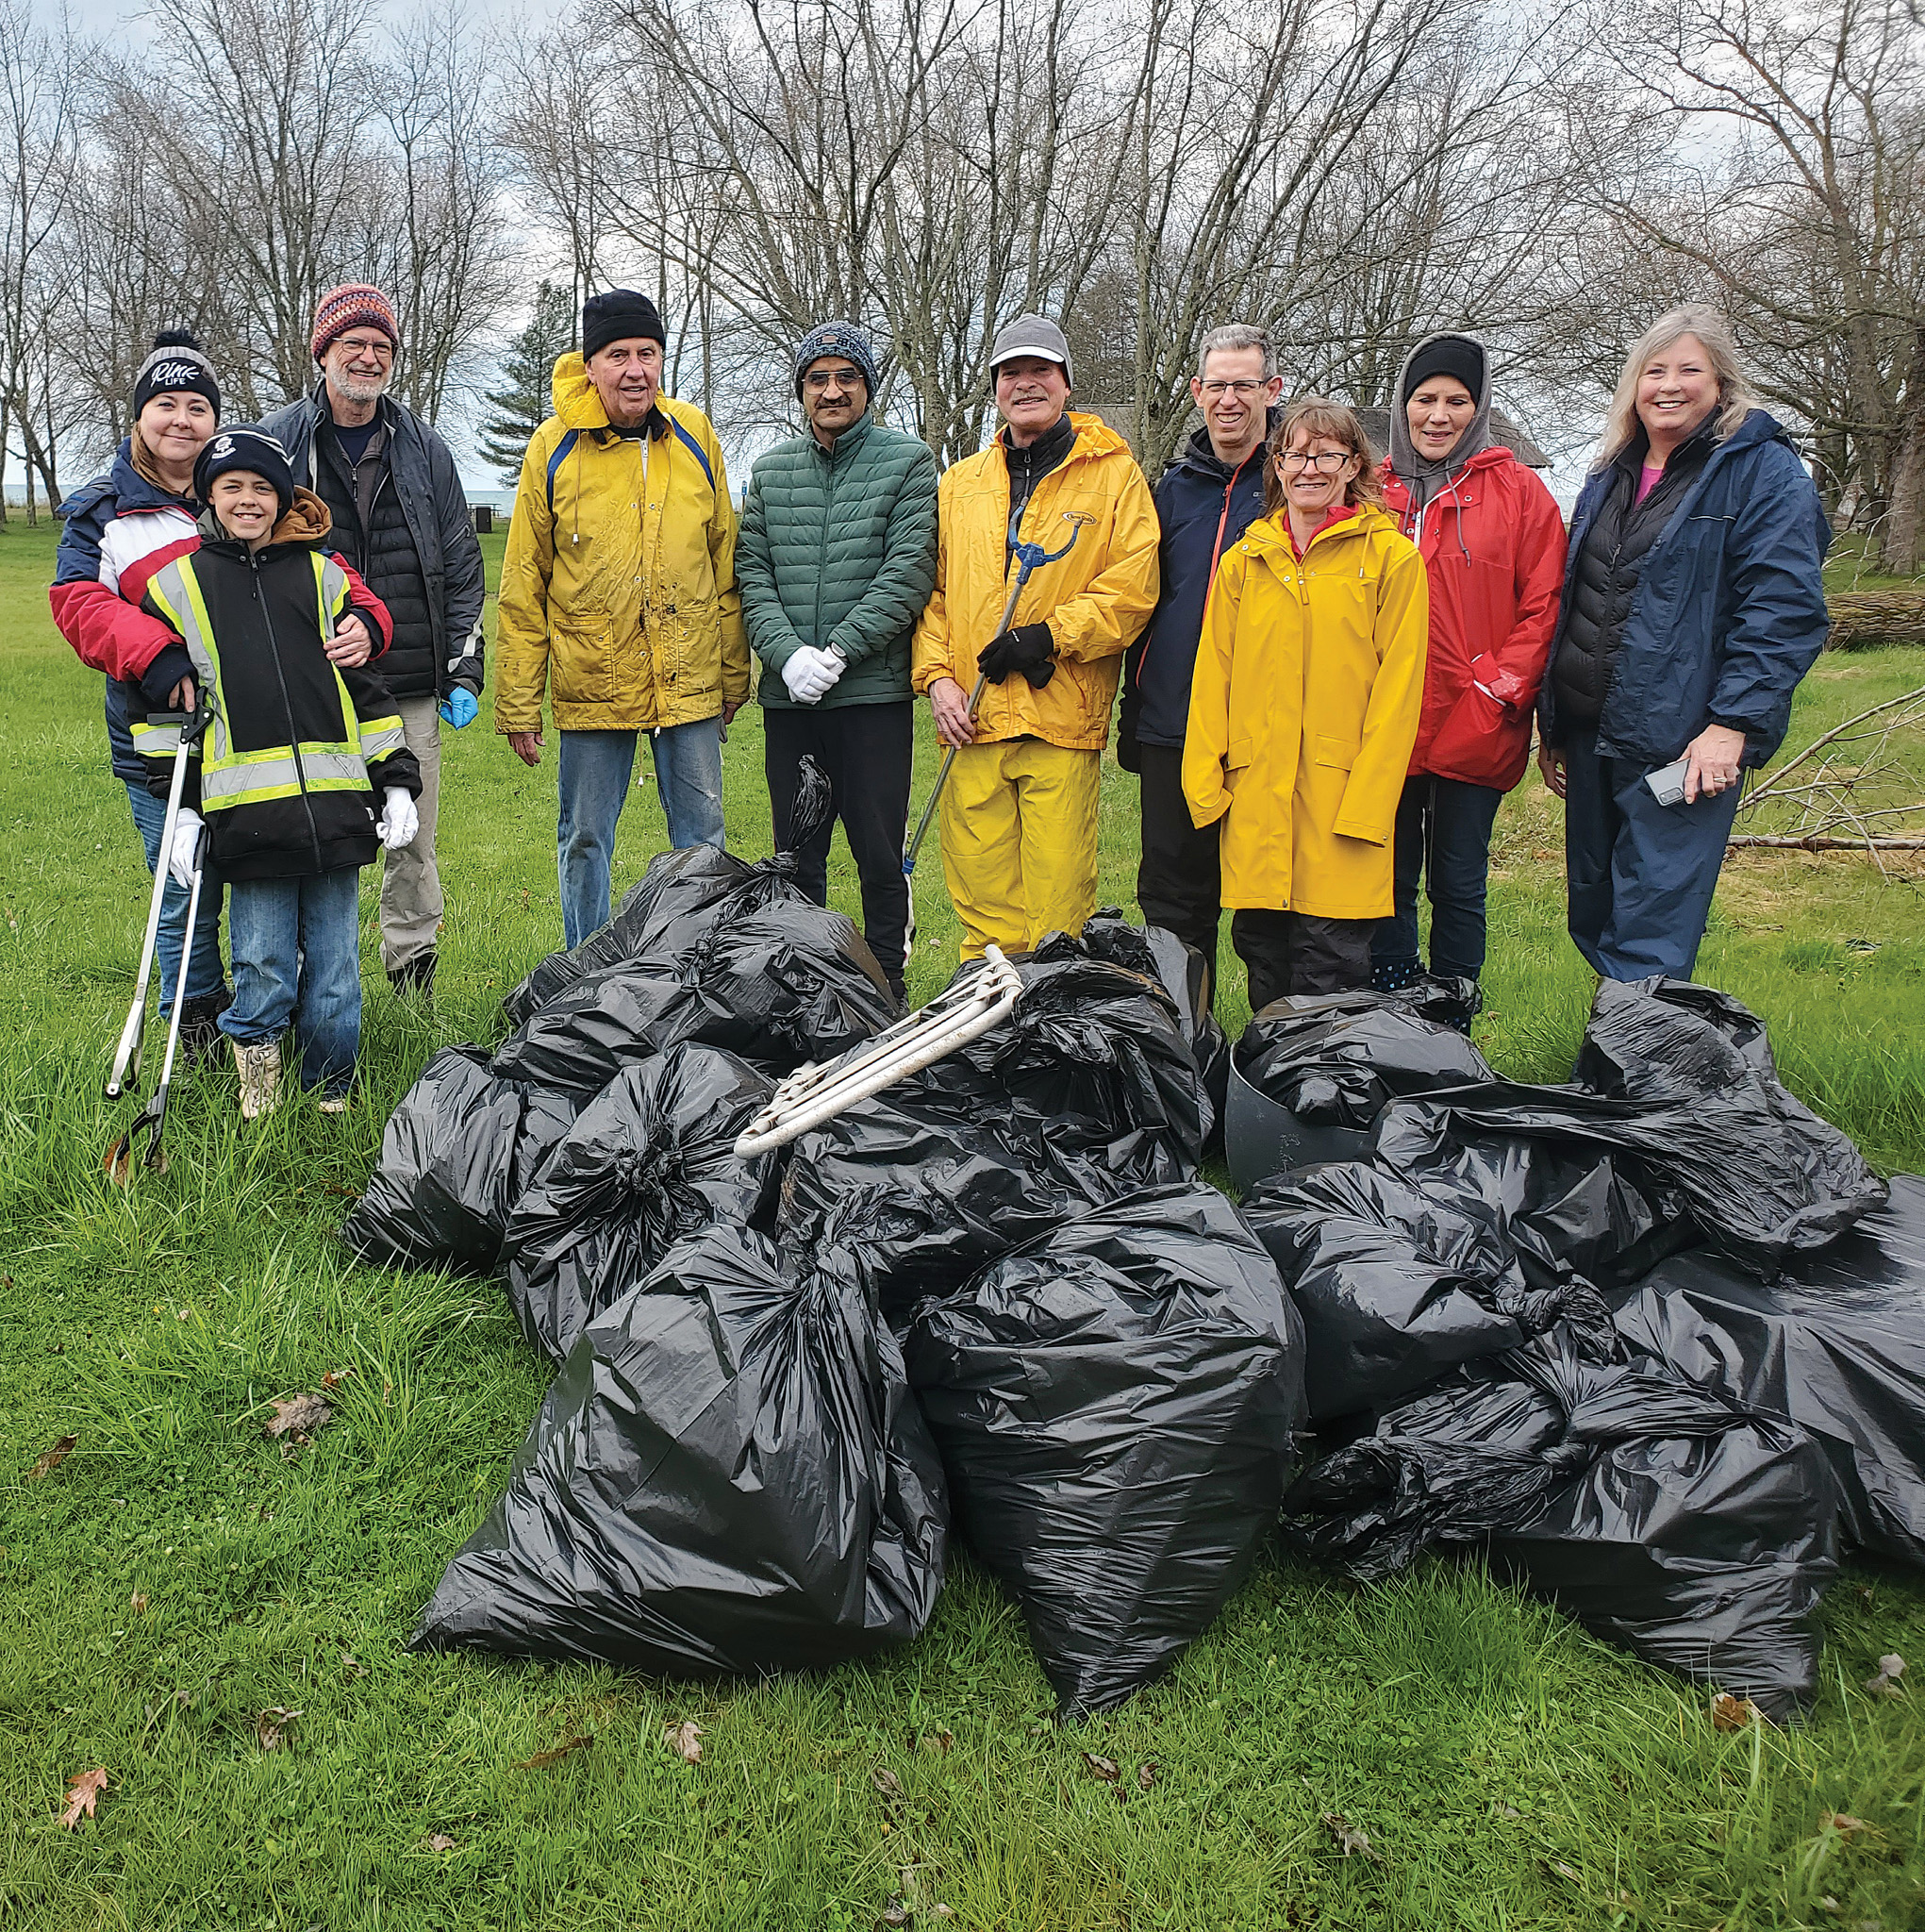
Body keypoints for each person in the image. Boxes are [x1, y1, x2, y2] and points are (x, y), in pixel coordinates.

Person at [123, 428, 421, 1118]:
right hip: (248, 821)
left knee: (337, 969)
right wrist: (181, 808)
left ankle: (330, 1088)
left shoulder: (323, 577)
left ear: (284, 497)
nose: (248, 500)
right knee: (262, 961)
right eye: (232, 487)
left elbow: (367, 691)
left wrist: (396, 780)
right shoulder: (175, 587)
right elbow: (161, 715)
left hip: (337, 814)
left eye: (263, 488)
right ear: (209, 496)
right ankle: (259, 1084)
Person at [1538, 305, 1831, 980]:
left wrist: (1733, 724)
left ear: (1721, 383)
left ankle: (1642, 1046)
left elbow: (1784, 609)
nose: (1668, 386)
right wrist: (1554, 724)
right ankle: (1623, 1035)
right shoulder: (1608, 474)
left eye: (1688, 370)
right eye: (1654, 371)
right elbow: (1579, 598)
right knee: (1595, 907)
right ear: (1634, 386)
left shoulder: (1760, 472)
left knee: (1653, 920)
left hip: (1683, 742)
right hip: (1591, 734)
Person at [497, 289, 748, 949]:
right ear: (590, 366)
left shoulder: (694, 434)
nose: (635, 370)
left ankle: (697, 962)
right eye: (618, 356)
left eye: (647, 353)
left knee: (702, 840)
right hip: (592, 681)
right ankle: (585, 965)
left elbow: (724, 565)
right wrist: (519, 703)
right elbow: (523, 582)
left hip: (688, 675)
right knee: (585, 837)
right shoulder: (552, 447)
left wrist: (732, 677)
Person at [263, 283, 487, 1004]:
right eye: (352, 343)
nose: (367, 357)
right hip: (306, 683)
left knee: (412, 840)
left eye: (380, 346)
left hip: (409, 685)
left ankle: (411, 978)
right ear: (322, 352)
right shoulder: (278, 442)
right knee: (307, 835)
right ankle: (305, 984)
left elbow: (462, 564)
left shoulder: (425, 448)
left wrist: (464, 669)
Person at [912, 313, 1159, 959]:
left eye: (1040, 371)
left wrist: (1050, 636)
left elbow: (1132, 590)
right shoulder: (960, 483)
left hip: (1059, 719)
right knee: (983, 905)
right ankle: (985, 1010)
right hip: (971, 721)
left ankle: (1051, 1009)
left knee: (1056, 914)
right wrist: (937, 680)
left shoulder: (1115, 476)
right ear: (995, 387)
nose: (1026, 384)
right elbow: (933, 594)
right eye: (1011, 373)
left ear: (1066, 383)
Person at [1184, 398, 1429, 1012]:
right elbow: (1213, 675)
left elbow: (1399, 693)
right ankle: (1267, 1074)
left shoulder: (1391, 559)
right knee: (1263, 954)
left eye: (1326, 455)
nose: (1309, 469)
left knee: (1331, 966)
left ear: (1354, 465)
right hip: (1257, 797)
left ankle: (1323, 1077)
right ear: (1278, 464)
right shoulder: (1245, 561)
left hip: (1340, 803)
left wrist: (1369, 803)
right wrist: (1205, 782)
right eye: (1295, 454)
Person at [738, 321, 938, 1001]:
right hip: (791, 701)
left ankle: (887, 985)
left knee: (879, 855)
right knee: (797, 853)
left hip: (871, 697)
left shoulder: (907, 462)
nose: (832, 391)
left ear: (867, 388)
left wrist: (839, 650)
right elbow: (753, 573)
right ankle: (802, 984)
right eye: (817, 378)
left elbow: (908, 570)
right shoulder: (770, 472)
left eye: (846, 377)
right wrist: (787, 655)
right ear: (801, 391)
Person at [51, 332, 237, 1052]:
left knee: (255, 875)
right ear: (139, 415)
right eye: (166, 404)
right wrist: (156, 655)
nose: (181, 420)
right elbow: (77, 602)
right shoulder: (103, 510)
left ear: (214, 420)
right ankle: (193, 1021)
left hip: (250, 732)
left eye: (197, 406)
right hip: (156, 738)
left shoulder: (241, 493)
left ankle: (258, 1010)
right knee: (185, 885)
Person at [1371, 332, 1568, 994]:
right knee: (1385, 876)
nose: (1438, 416)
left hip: (1477, 718)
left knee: (1458, 880)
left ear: (1478, 408)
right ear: (1402, 405)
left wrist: (1496, 689)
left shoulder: (1519, 493)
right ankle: (1393, 1007)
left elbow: (1544, 605)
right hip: (1386, 719)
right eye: (1424, 399)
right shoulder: (1371, 492)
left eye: (1456, 401)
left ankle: (1452, 1011)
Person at [1120, 322, 1282, 996]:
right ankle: (1186, 1038)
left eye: (1244, 385)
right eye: (1217, 386)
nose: (1229, 400)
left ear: (1272, 390)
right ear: (1196, 392)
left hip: (1263, 730)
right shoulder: (1168, 492)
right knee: (1174, 899)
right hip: (1174, 723)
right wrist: (1135, 711)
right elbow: (1141, 603)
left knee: (1268, 904)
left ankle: (1275, 1042)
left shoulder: (1292, 484)